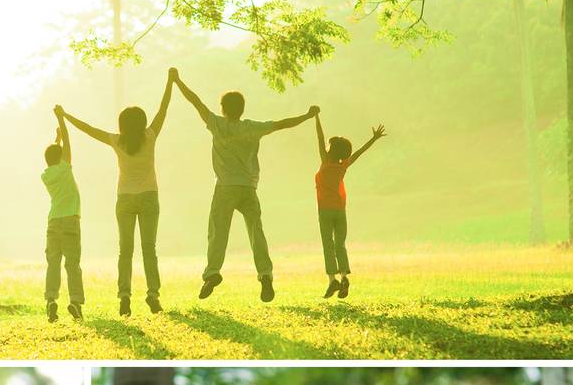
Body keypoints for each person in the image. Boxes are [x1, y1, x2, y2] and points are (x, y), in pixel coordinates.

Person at [171, 68, 318, 303]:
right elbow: (282, 124)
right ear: (242, 109)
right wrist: (308, 115)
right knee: (256, 232)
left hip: (225, 187)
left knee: (218, 232)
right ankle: (265, 274)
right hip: (248, 188)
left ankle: (212, 273)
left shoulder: (217, 125)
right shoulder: (252, 128)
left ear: (223, 109)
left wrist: (177, 81)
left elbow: (195, 101)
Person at [57, 70, 174, 316]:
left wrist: (65, 117)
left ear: (122, 125)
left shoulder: (116, 141)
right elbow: (163, 109)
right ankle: (153, 295)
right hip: (149, 196)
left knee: (125, 250)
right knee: (149, 248)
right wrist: (170, 81)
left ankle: (124, 296)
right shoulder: (150, 136)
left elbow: (89, 129)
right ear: (142, 123)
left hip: (125, 199)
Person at [312, 115, 386, 298]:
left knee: (328, 245)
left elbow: (320, 138)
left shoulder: (325, 163)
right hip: (340, 210)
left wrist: (316, 117)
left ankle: (332, 280)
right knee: (340, 245)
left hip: (325, 210)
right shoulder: (344, 165)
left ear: (331, 151)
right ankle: (344, 275)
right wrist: (374, 138)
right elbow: (360, 152)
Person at [40, 110, 84, 322]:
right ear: (61, 157)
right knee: (73, 264)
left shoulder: (46, 175)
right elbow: (67, 140)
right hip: (70, 221)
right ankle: (75, 301)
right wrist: (61, 118)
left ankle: (51, 300)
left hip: (53, 222)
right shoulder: (66, 168)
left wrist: (55, 140)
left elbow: (53, 155)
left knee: (53, 263)